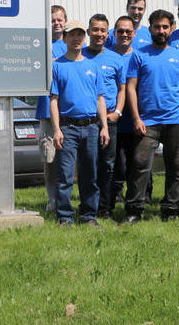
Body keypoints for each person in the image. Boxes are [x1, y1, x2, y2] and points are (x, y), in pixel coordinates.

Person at [124, 9, 179, 222]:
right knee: (139, 163)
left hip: (175, 119)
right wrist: (136, 118)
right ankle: (134, 210)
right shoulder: (139, 55)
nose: (161, 30)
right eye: (157, 27)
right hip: (148, 121)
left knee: (174, 166)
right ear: (151, 28)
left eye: (165, 27)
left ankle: (170, 209)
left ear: (171, 28)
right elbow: (130, 88)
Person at [50, 20, 110, 226]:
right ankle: (65, 217)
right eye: (71, 35)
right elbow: (54, 100)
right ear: (65, 38)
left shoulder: (92, 66)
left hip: (92, 127)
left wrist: (105, 127)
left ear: (84, 38)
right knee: (65, 176)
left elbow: (100, 98)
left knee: (90, 175)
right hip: (68, 128)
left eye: (79, 34)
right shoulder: (56, 65)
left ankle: (88, 216)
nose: (76, 39)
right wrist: (56, 129)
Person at [81, 14, 125, 218]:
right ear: (89, 32)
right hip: (87, 120)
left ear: (108, 34)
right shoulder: (79, 56)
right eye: (95, 29)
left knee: (107, 165)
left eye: (102, 30)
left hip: (109, 119)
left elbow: (122, 89)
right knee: (88, 165)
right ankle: (88, 207)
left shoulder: (116, 58)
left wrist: (117, 112)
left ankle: (105, 209)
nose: (99, 34)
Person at [35, 5, 68, 212]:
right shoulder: (39, 45)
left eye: (59, 19)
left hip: (68, 111)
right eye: (53, 20)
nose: (56, 23)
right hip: (47, 110)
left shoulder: (73, 45)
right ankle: (52, 200)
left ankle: (68, 199)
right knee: (50, 158)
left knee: (70, 157)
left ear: (65, 21)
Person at [110, 16, 139, 213]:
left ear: (134, 33)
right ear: (114, 34)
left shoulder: (140, 56)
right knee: (115, 164)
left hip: (137, 120)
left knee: (138, 163)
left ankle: (140, 199)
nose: (124, 35)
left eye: (128, 31)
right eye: (120, 31)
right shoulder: (107, 55)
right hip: (114, 121)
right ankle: (113, 198)